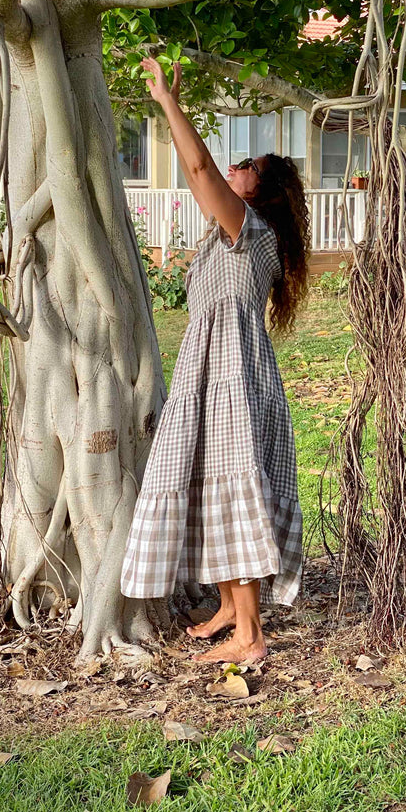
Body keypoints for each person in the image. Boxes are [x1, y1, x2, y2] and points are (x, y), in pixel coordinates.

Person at [121, 57, 310, 664]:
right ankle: (231, 608)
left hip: (231, 375)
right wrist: (172, 115)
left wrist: (166, 102)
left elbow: (199, 168)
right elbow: (197, 168)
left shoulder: (250, 229)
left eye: (248, 166)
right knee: (211, 484)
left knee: (234, 490)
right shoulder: (232, 227)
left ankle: (251, 636)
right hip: (213, 372)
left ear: (264, 190)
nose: (235, 167)